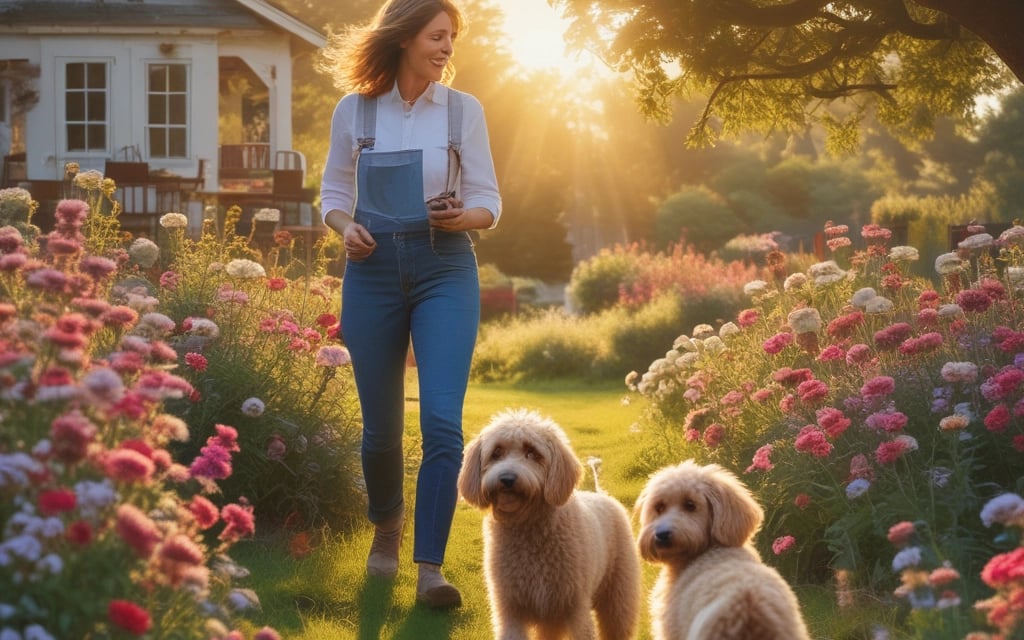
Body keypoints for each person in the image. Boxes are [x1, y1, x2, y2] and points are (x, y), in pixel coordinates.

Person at [318, 0, 501, 609]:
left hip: (444, 268)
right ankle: (387, 524)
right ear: (403, 37)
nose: (448, 46)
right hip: (369, 272)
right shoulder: (355, 109)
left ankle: (430, 567)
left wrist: (459, 219)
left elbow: (488, 203)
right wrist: (345, 227)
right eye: (437, 35)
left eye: (453, 36)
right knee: (380, 432)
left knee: (443, 423)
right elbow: (332, 193)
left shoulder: (463, 111)